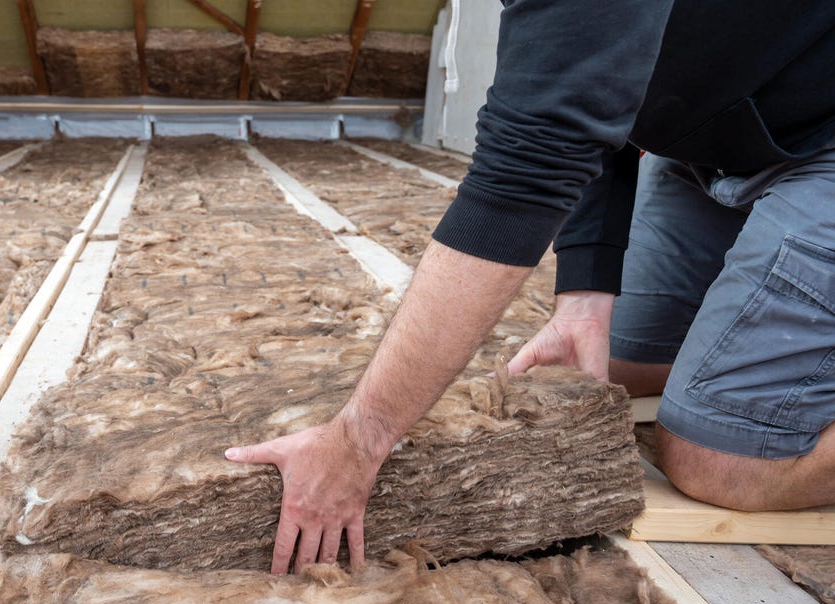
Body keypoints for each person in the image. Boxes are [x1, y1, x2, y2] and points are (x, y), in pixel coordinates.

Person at [225, 1, 835, 574]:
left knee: (719, 461)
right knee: (618, 361)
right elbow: (590, 97)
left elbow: (525, 176)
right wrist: (584, 295)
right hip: (726, 144)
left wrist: (360, 437)